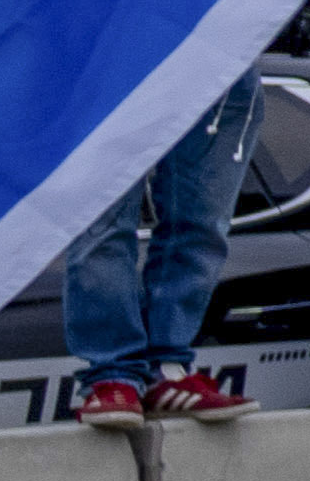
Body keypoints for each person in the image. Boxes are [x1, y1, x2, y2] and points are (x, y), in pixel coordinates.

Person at [56, 71, 260, 427]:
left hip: (224, 50)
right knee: (101, 225)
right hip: (115, 45)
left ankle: (168, 370)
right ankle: (113, 374)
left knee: (202, 224)